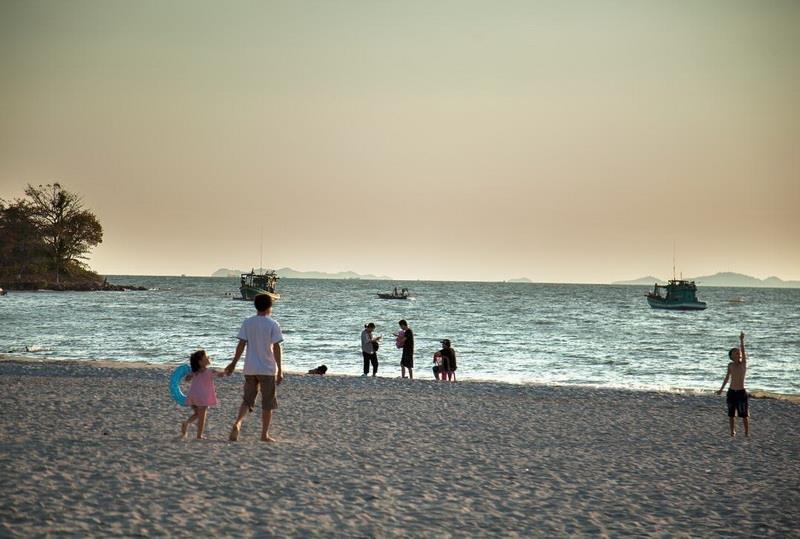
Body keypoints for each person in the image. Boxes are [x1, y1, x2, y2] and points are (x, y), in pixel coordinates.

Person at [225, 294, 284, 442]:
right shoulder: (272, 324)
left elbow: (241, 344)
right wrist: (280, 369)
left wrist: (233, 363)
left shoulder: (248, 322)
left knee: (247, 400)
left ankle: (238, 423)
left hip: (250, 368)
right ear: (270, 307)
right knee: (267, 403)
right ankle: (264, 435)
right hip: (267, 369)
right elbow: (276, 347)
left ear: (255, 306)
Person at [181, 349, 226, 440]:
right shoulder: (210, 371)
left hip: (193, 395)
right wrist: (225, 372)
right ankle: (199, 435)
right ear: (201, 362)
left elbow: (187, 379)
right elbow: (220, 374)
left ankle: (187, 423)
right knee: (202, 417)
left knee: (197, 414)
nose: (208, 357)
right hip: (202, 397)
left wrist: (189, 376)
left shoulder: (195, 372)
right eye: (206, 357)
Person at [716, 331, 749, 437]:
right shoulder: (730, 365)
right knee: (731, 414)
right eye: (736, 352)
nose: (738, 353)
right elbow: (727, 378)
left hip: (741, 392)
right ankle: (732, 431)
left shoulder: (743, 363)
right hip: (731, 392)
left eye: (739, 352)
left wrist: (742, 340)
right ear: (731, 356)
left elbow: (743, 352)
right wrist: (721, 390)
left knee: (744, 414)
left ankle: (746, 432)